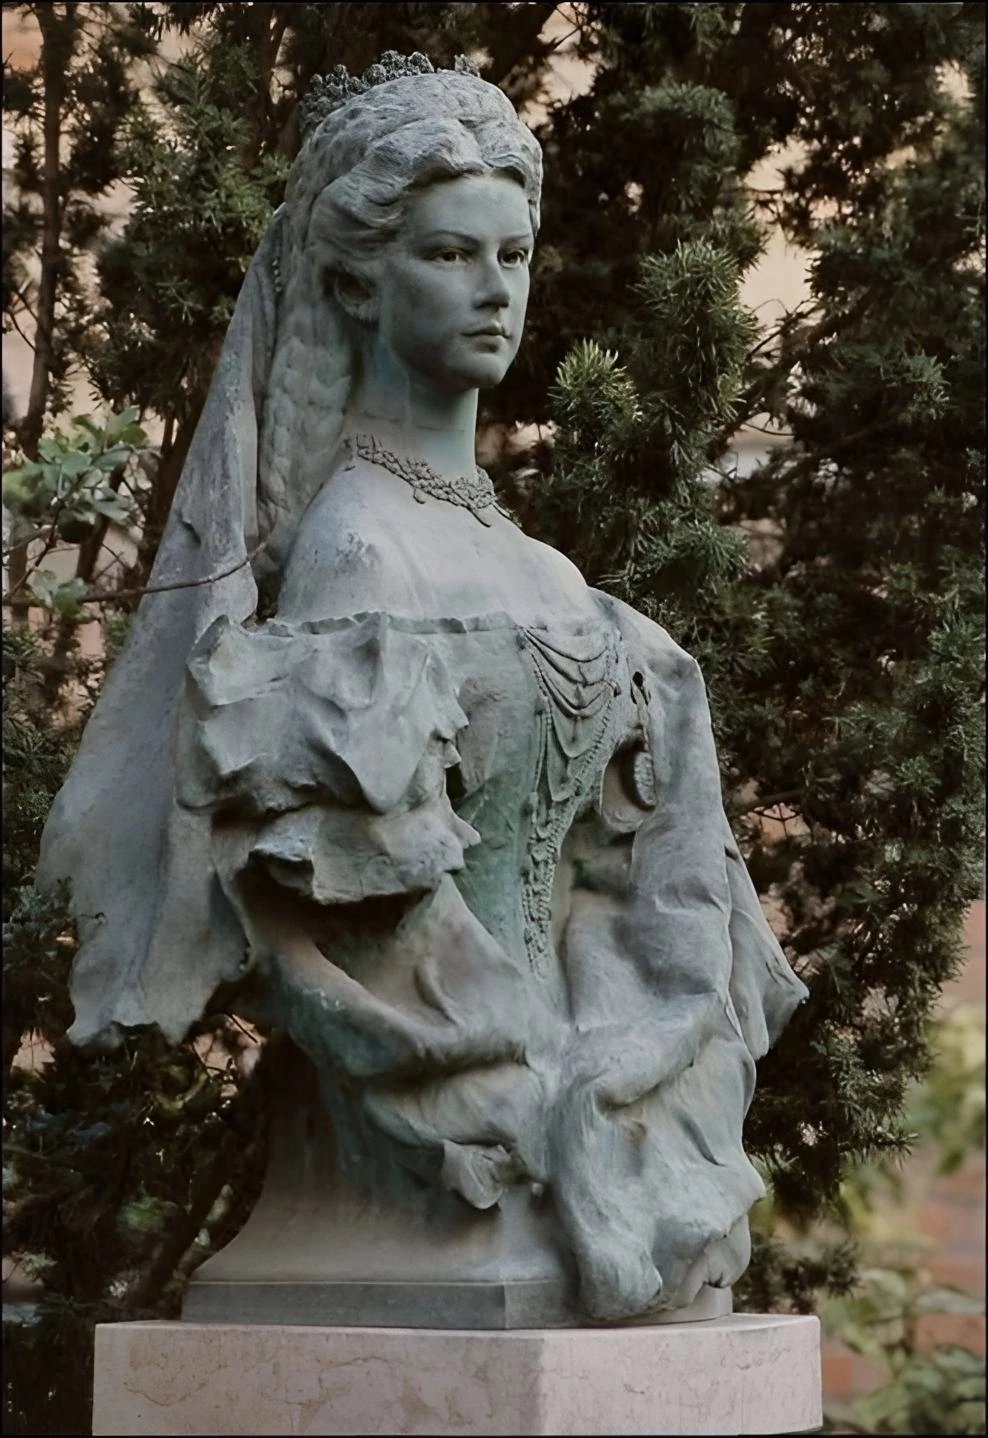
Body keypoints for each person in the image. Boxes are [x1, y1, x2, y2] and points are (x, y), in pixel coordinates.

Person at [38, 54, 806, 1326]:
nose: (495, 289)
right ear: (354, 275)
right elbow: (352, 910)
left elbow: (630, 889)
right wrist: (535, 1086)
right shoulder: (359, 550)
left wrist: (613, 1058)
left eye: (512, 254)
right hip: (439, 1146)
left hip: (567, 1115)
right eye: (452, 254)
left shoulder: (545, 570)